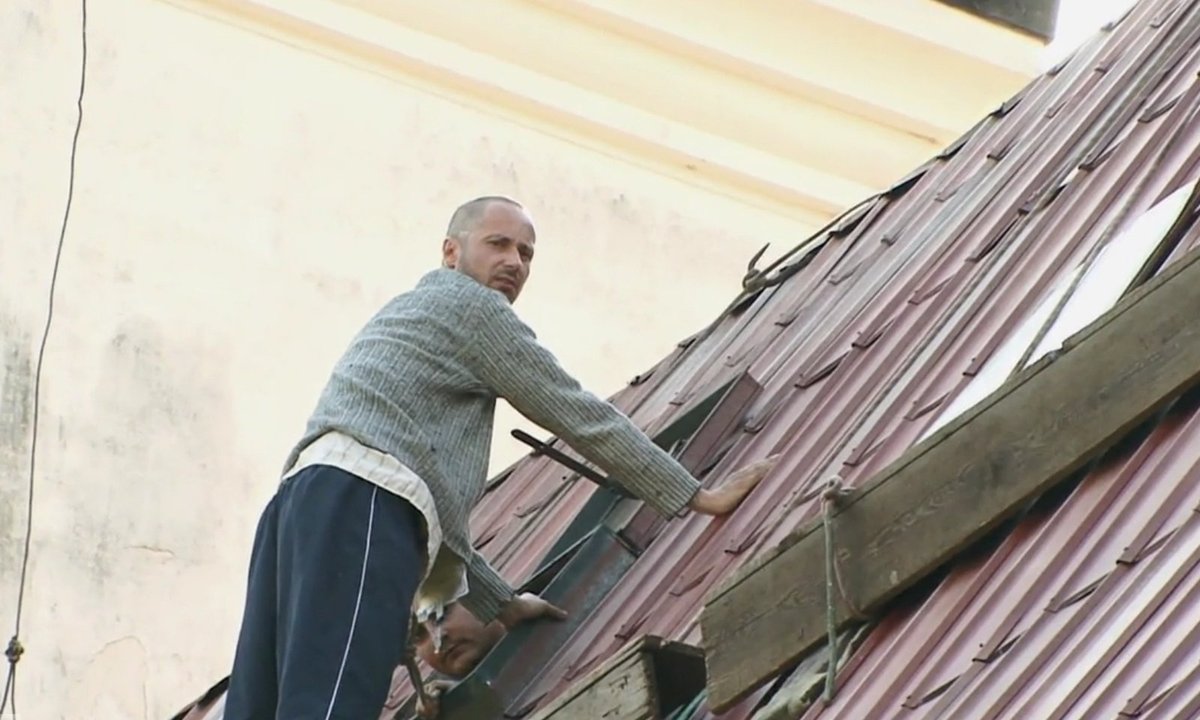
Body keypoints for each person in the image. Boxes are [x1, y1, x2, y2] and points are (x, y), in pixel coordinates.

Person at [222, 196, 776, 719]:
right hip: (358, 503)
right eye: (499, 244)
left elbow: (431, 502)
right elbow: (575, 412)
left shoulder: (412, 314)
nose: (514, 261)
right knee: (331, 701)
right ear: (451, 252)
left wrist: (501, 605)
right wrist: (691, 493)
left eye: (526, 253)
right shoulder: (472, 308)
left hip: (296, 510)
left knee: (260, 701)